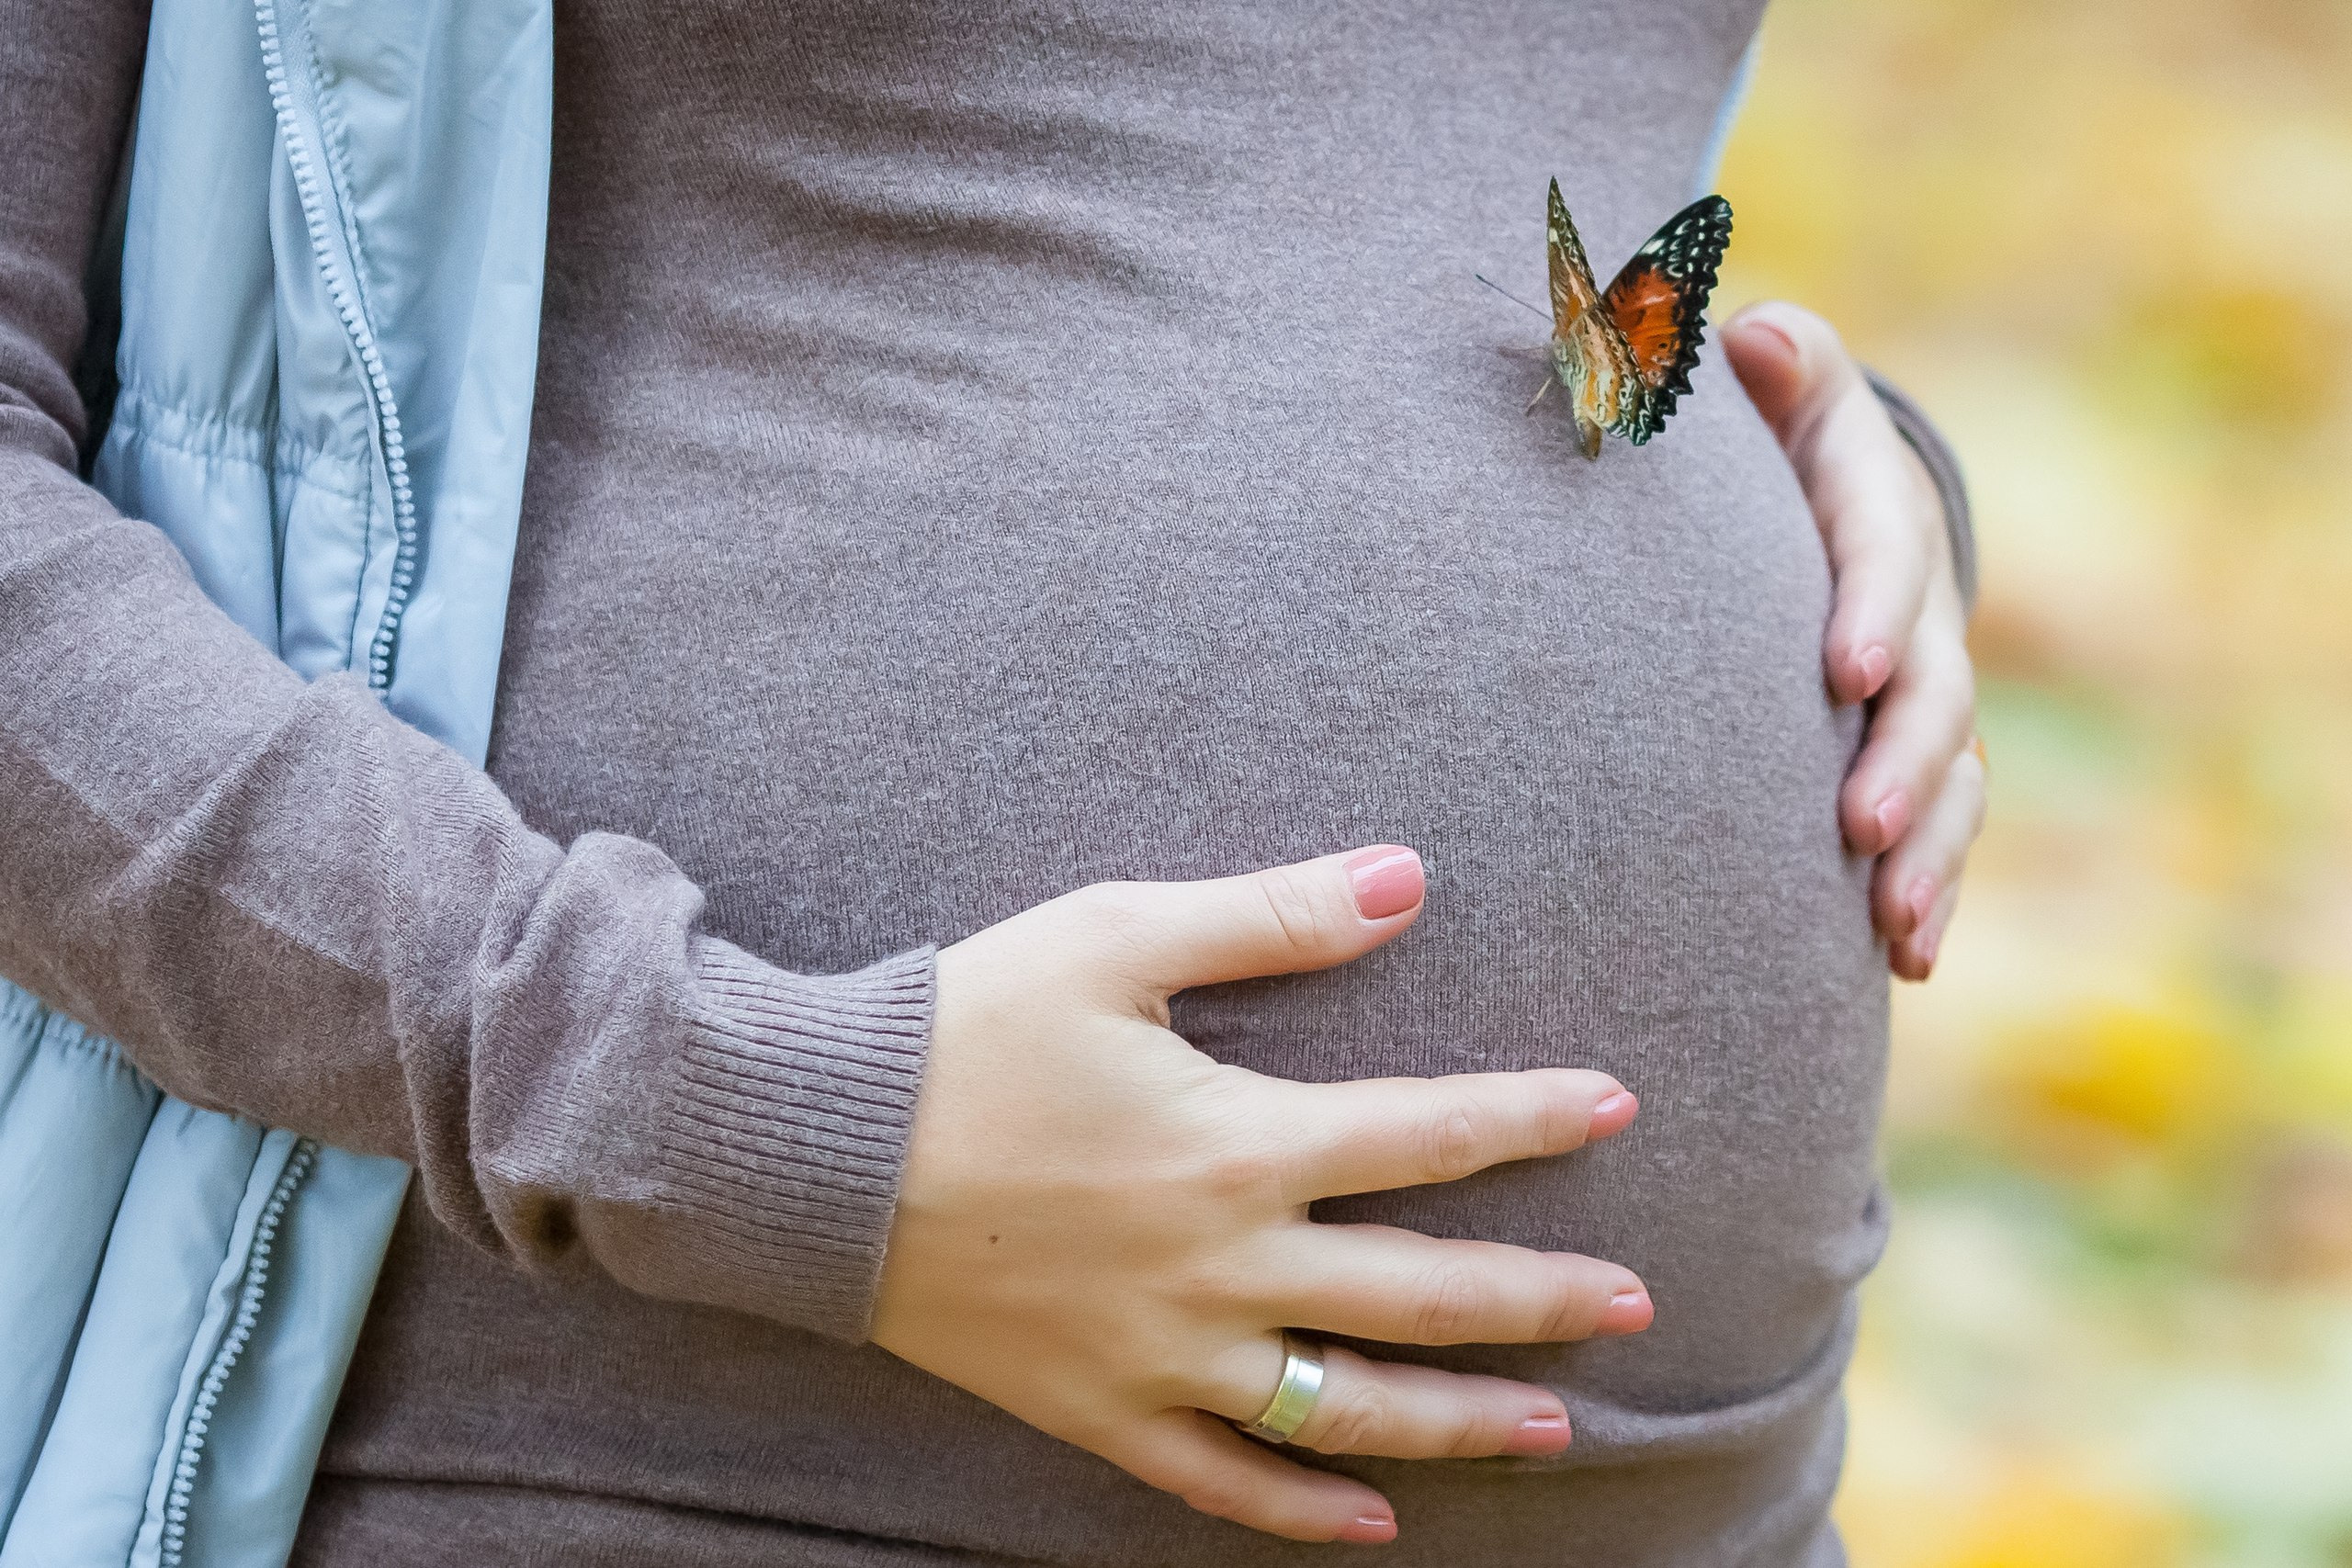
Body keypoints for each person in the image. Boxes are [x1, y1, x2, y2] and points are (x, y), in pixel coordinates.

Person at [0, 0, 1984, 1563]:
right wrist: (749, 1114)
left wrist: (1824, 496)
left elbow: (1379, 179)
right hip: (669, 1463)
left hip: (1703, 1506)